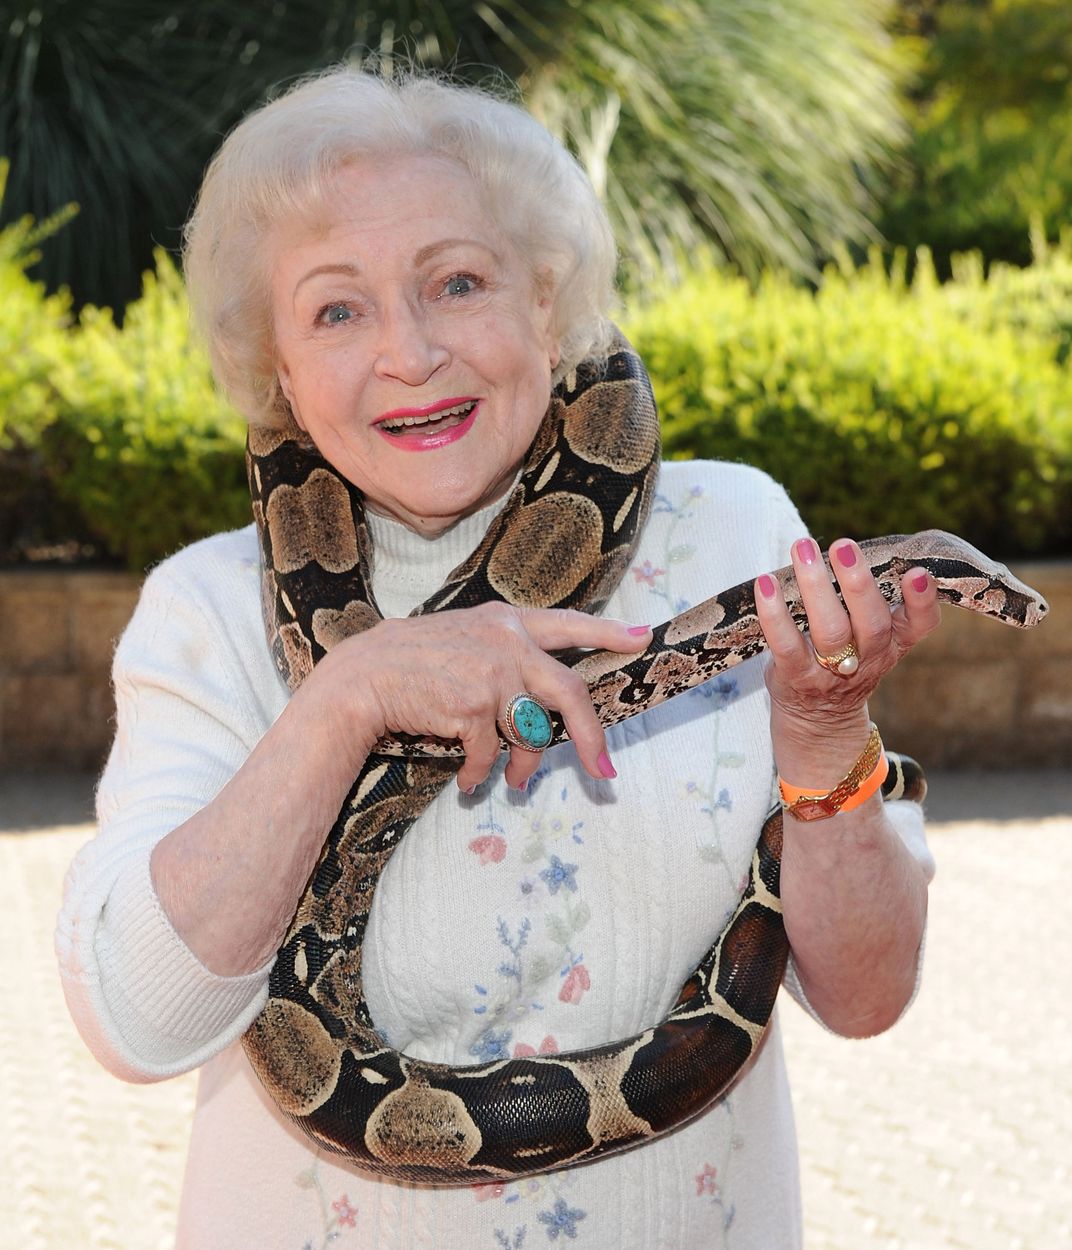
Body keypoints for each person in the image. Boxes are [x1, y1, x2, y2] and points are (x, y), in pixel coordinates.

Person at [56, 66, 939, 1248]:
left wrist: (829, 740)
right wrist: (351, 693)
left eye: (456, 281)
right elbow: (135, 1019)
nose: (410, 352)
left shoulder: (729, 536)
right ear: (274, 370)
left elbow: (867, 997)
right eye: (335, 309)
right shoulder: (208, 610)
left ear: (548, 302)